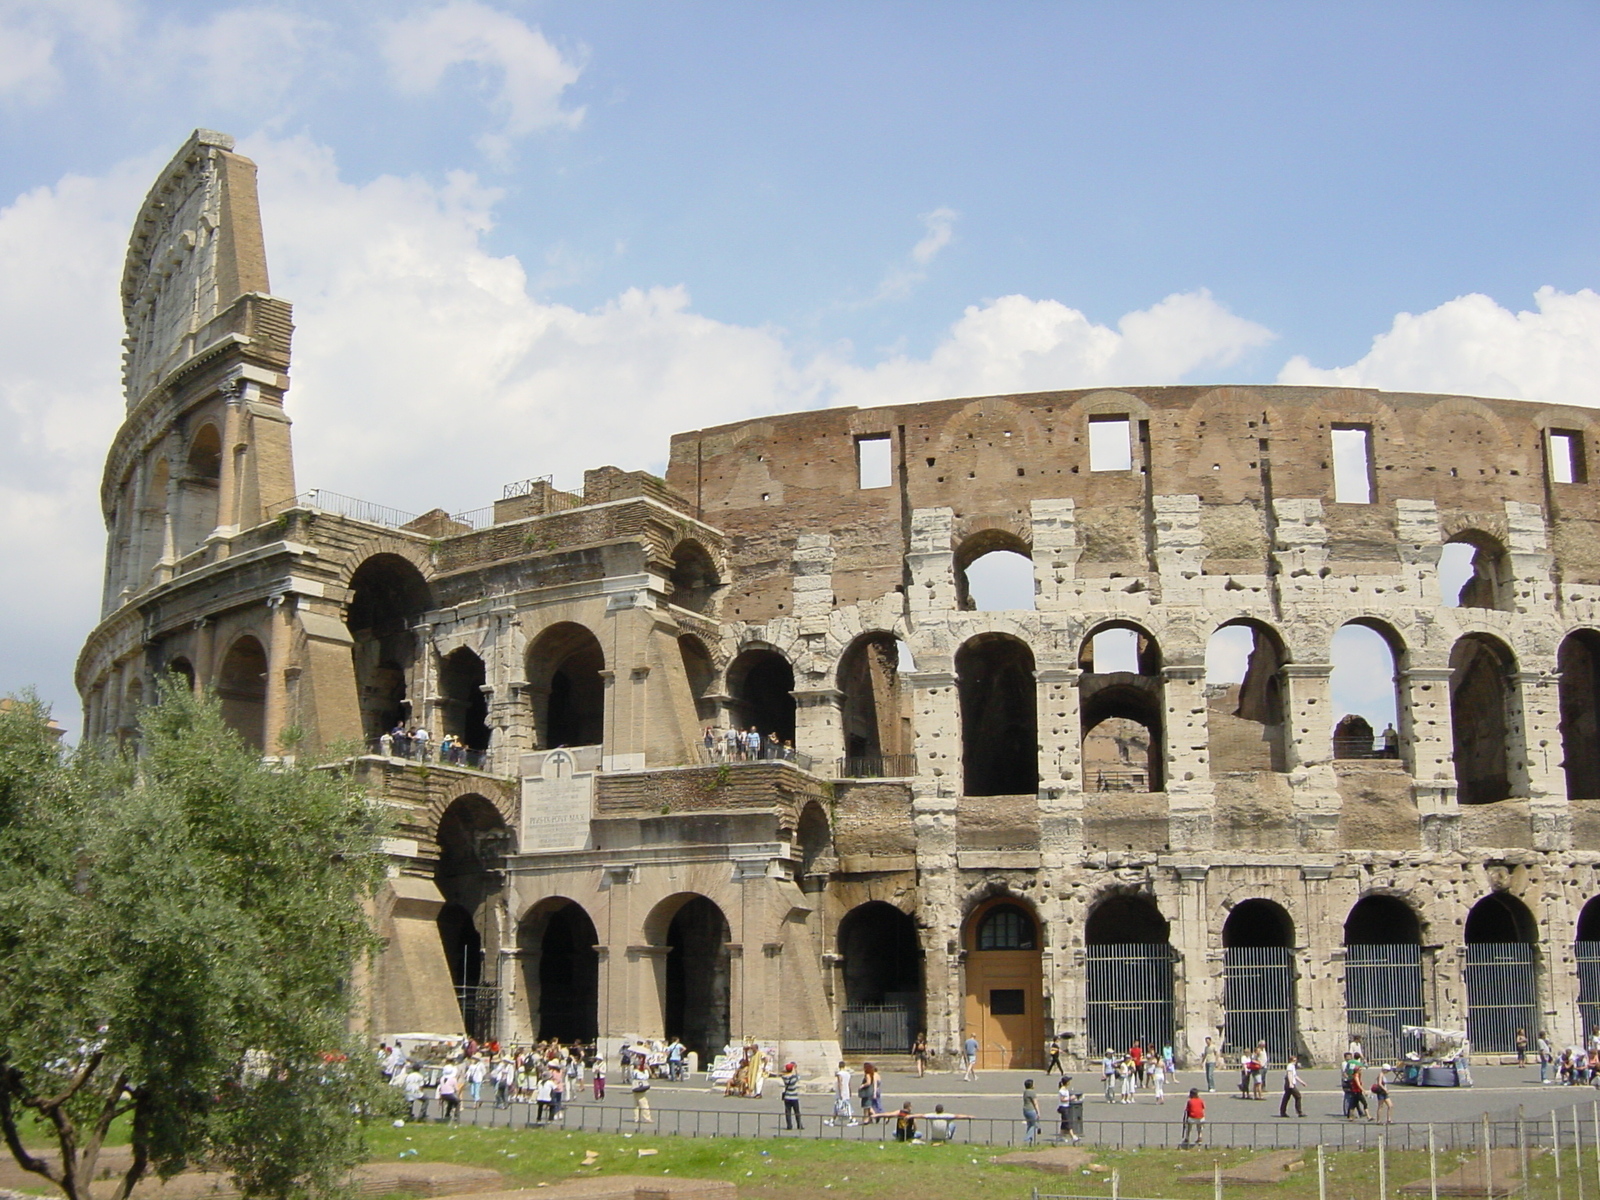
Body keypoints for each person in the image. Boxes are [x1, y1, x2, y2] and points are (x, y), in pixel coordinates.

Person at [828, 1060, 856, 1126]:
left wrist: (840, 1093)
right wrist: (850, 1091)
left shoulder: (840, 1074)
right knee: (840, 1106)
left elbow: (840, 1083)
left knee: (842, 1106)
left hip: (841, 1092)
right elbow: (849, 1084)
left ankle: (851, 1119)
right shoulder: (847, 1074)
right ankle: (832, 1120)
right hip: (846, 1091)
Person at [1056, 1076, 1080, 1144]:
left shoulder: (1065, 1089)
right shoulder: (1062, 1090)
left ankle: (1060, 1136)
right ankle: (1073, 1137)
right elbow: (1062, 1099)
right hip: (1063, 1107)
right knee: (1068, 1122)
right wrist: (1070, 1098)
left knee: (1064, 1123)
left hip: (1066, 1106)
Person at [780, 1062, 803, 1130]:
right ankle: (799, 1125)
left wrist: (787, 1069)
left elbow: (782, 1073)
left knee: (788, 1112)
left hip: (787, 1097)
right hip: (794, 1097)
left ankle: (789, 1126)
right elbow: (798, 1076)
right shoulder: (794, 1078)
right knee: (797, 1112)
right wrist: (795, 1069)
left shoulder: (784, 1077)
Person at [1021, 1078, 1040, 1146]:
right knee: (1034, 1125)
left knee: (1029, 1125)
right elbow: (1035, 1103)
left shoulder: (1025, 1092)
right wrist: (1038, 1112)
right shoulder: (1032, 1092)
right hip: (1031, 1110)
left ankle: (1029, 1140)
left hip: (1025, 1110)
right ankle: (1027, 1139)